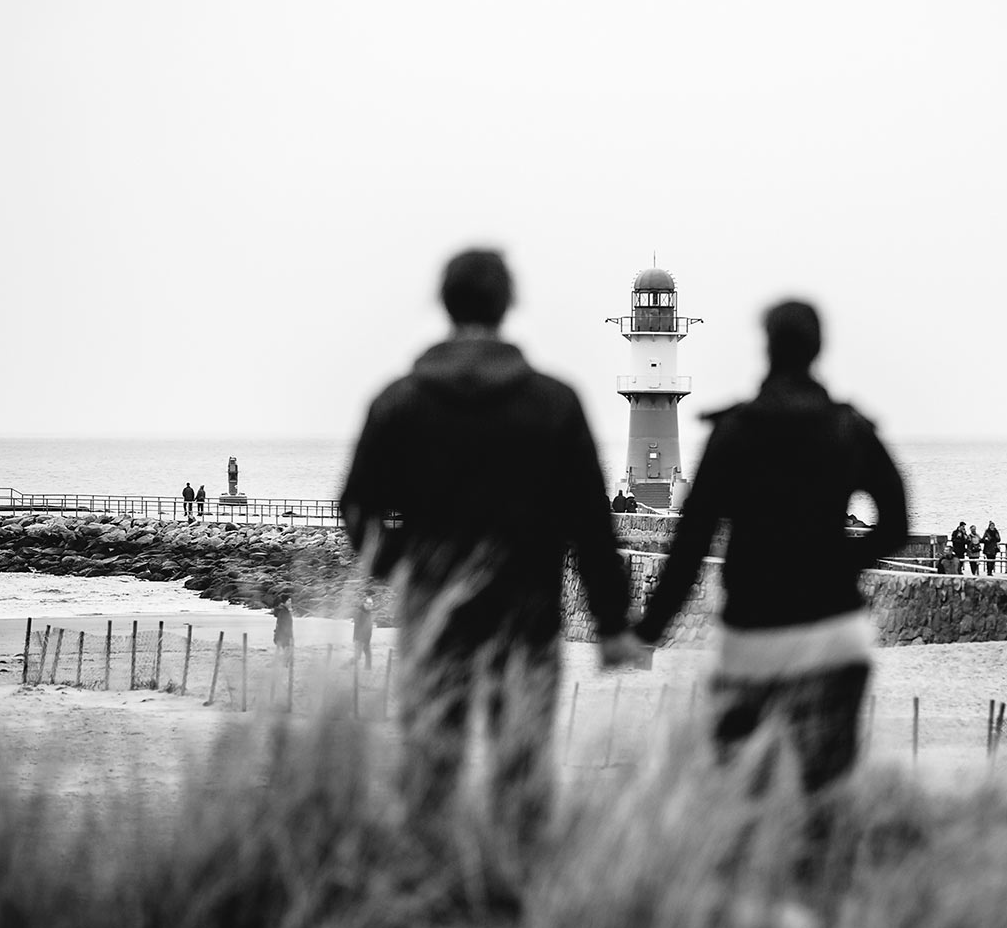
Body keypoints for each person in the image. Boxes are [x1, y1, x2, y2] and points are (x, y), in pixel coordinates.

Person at [338, 248, 634, 840]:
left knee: (429, 773)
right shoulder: (554, 403)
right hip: (526, 619)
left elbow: (356, 508)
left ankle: (426, 910)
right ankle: (515, 906)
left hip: (436, 614)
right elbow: (590, 525)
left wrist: (407, 561)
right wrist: (611, 623)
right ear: (508, 305)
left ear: (444, 304)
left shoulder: (399, 402)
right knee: (521, 779)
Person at [627, 300, 909, 795]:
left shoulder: (735, 431)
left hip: (751, 641)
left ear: (767, 347)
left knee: (741, 798)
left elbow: (691, 544)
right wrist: (835, 565)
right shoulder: (850, 428)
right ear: (819, 348)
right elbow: (896, 526)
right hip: (835, 636)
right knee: (825, 801)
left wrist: (648, 629)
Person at [353, 592, 376, 669]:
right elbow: (358, 626)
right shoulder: (360, 612)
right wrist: (360, 639)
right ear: (364, 604)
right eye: (369, 604)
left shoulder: (368, 613)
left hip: (366, 639)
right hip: (360, 639)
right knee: (357, 656)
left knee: (368, 655)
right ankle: (343, 667)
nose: (370, 606)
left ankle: (368, 670)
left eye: (371, 604)